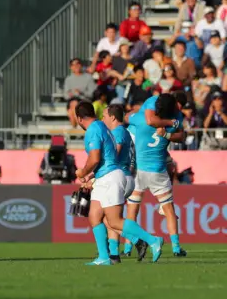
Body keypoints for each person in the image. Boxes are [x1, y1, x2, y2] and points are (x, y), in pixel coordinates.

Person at [74, 101, 164, 266]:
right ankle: (104, 257)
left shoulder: (93, 129)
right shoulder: (102, 127)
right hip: (105, 176)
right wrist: (91, 175)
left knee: (114, 221)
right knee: (95, 216)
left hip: (110, 177)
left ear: (79, 118)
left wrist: (83, 172)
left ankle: (153, 240)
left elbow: (94, 158)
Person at [126, 94, 187, 258]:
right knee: (169, 211)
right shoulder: (174, 124)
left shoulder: (140, 119)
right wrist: (168, 133)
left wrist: (130, 113)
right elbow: (182, 137)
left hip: (139, 171)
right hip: (158, 171)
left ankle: (127, 248)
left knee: (132, 210)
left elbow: (127, 118)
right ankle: (176, 247)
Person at [101, 105, 147, 262]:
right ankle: (114, 254)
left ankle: (146, 240)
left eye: (104, 116)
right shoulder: (124, 132)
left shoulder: (118, 132)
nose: (102, 119)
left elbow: (114, 155)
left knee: (111, 218)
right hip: (126, 176)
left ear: (113, 117)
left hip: (118, 177)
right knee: (108, 218)